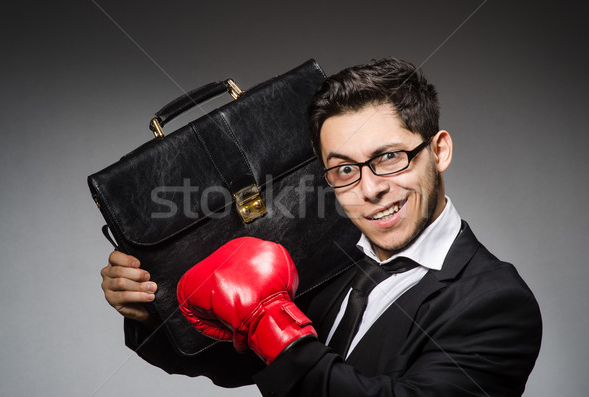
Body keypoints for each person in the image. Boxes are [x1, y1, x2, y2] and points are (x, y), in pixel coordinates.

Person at [101, 58, 542, 396]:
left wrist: (270, 323)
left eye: (389, 157)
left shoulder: (497, 303)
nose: (370, 189)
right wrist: (152, 313)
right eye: (345, 169)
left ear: (439, 151)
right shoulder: (329, 257)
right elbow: (246, 365)